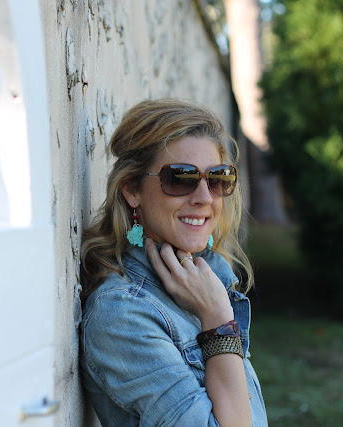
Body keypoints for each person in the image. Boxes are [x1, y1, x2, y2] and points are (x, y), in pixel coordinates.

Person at [79, 99, 267, 426]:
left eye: (218, 178)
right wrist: (218, 322)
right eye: (180, 178)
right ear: (131, 189)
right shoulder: (122, 314)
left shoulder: (207, 281)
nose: (205, 197)